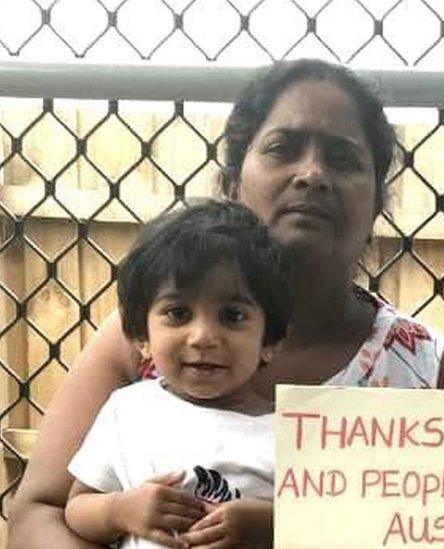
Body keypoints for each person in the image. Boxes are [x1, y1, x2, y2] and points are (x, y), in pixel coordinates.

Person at [9, 59, 444, 548]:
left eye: (343, 158)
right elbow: (39, 514)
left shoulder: (425, 370)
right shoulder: (143, 341)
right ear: (233, 185)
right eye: (283, 148)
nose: (313, 173)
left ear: (378, 201)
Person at [65, 200, 288, 548]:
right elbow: (77, 508)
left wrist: (270, 525)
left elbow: (331, 530)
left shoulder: (290, 432)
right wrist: (120, 510)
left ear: (269, 340)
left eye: (232, 316)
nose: (202, 337)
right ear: (142, 336)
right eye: (178, 312)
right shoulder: (128, 411)